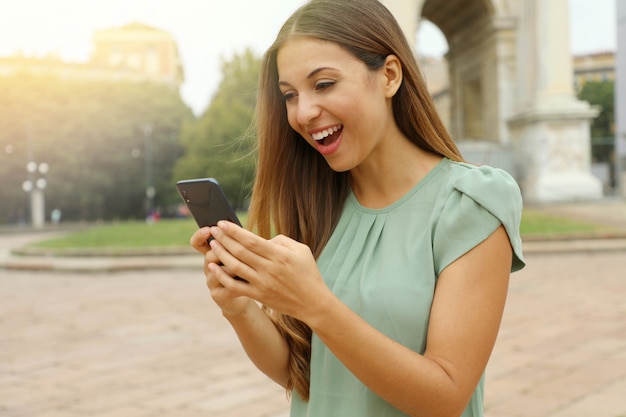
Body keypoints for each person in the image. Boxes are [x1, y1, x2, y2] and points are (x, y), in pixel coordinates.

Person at [190, 0, 525, 416]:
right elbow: (307, 376)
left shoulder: (470, 202)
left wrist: (315, 304)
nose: (304, 112)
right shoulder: (317, 202)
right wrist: (238, 306)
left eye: (324, 84)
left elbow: (446, 397)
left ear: (389, 75)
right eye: (290, 95)